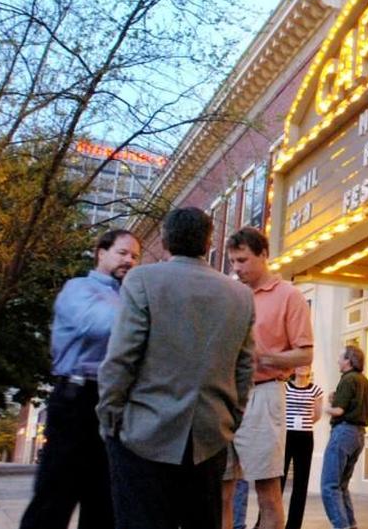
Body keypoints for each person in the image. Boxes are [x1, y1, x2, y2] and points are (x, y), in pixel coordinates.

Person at [97, 207, 255, 529]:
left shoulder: (142, 279)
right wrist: (231, 419)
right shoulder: (240, 295)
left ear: (166, 240)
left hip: (144, 432)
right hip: (210, 436)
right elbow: (244, 367)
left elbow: (122, 355)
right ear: (209, 243)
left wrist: (109, 415)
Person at [19, 229, 140, 529]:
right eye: (122, 253)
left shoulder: (130, 297)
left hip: (114, 402)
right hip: (76, 398)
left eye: (135, 256)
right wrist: (145, 316)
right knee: (56, 493)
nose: (129, 260)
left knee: (105, 499)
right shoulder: (79, 288)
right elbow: (97, 324)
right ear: (101, 253)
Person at [222, 227, 315, 529]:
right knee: (221, 490)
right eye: (233, 261)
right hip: (224, 396)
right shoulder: (232, 295)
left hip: (264, 393)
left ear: (263, 255)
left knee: (267, 491)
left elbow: (305, 355)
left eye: (243, 260)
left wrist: (262, 357)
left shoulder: (289, 295)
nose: (237, 268)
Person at [320, 345, 368, 529]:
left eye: (340, 357)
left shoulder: (348, 379)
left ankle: (341, 525)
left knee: (329, 486)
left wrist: (322, 408)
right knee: (342, 486)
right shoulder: (365, 381)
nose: (338, 360)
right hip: (359, 435)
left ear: (348, 361)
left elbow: (339, 410)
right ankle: (351, 524)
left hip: (343, 433)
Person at [281, 365, 323, 529]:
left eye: (306, 364)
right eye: (299, 364)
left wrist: (303, 423)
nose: (302, 368)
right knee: (279, 479)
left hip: (305, 437)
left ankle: (294, 524)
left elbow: (317, 415)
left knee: (301, 482)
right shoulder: (284, 387)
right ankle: (270, 520)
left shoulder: (316, 391)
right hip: (286, 436)